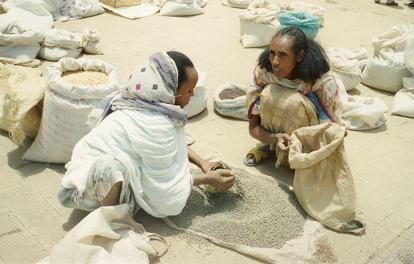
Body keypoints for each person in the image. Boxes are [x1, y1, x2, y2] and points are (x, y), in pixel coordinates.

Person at [58, 51, 235, 218]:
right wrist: (207, 179)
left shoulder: (147, 105)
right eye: (189, 91)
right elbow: (164, 194)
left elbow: (175, 143)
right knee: (110, 168)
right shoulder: (154, 124)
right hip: (86, 187)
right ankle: (109, 220)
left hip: (112, 174)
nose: (192, 95)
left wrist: (203, 163)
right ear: (170, 90)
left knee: (125, 168)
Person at [244, 27, 341, 167]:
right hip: (274, 137)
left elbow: (326, 132)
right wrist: (273, 138)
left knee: (293, 103)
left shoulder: (320, 82)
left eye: (283, 55)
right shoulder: (264, 73)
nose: (275, 62)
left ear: (300, 56)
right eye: (272, 53)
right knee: (270, 94)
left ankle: (298, 154)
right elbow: (253, 127)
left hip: (308, 138)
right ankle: (272, 148)